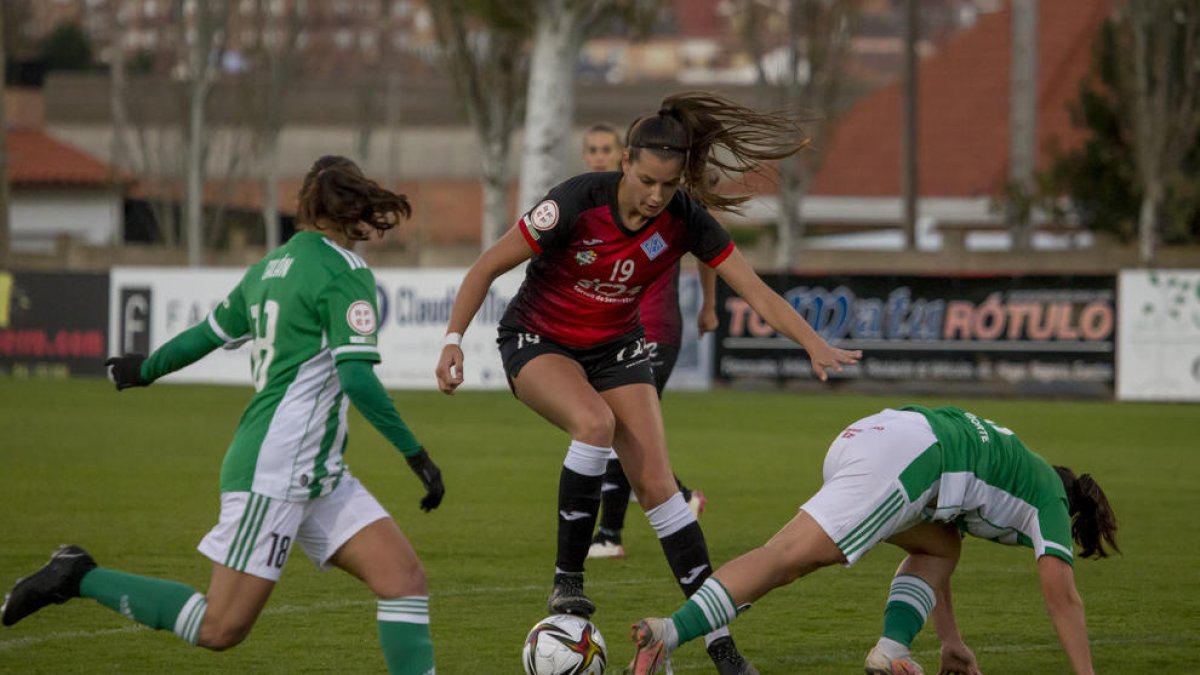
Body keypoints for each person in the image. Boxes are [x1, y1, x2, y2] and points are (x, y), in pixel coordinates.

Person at [435, 92, 861, 675]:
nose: (656, 195)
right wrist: (454, 339)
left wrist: (811, 341)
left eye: (669, 184)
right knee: (594, 424)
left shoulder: (684, 217)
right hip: (539, 341)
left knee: (661, 486)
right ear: (626, 163)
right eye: (647, 180)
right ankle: (568, 583)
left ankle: (719, 641)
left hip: (616, 349)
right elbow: (486, 266)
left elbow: (754, 289)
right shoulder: (575, 202)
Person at [1, 156, 446, 675]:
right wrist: (415, 454)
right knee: (219, 627)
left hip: (317, 472)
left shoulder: (267, 270)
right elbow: (357, 378)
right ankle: (76, 575)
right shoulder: (344, 273)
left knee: (403, 580)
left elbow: (206, 334)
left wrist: (146, 367)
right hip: (276, 471)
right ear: (350, 208)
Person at [627, 405, 1120, 675]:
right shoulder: (1050, 497)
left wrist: (951, 641)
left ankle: (891, 652)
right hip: (909, 456)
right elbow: (1063, 597)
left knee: (940, 545)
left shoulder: (1014, 467)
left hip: (872, 433)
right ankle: (667, 634)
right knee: (787, 560)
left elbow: (942, 543)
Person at [579, 123, 716, 560]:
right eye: (592, 150)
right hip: (612, 335)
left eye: (607, 148)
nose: (599, 156)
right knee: (625, 433)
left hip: (654, 329)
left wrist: (708, 305)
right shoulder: (591, 207)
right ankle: (682, 496)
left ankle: (609, 535)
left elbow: (710, 245)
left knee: (620, 427)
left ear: (625, 155)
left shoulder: (663, 206)